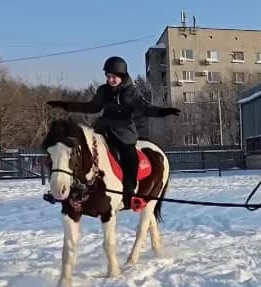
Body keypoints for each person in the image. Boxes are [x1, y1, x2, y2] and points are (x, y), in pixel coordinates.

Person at [46, 56, 180, 210]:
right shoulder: (103, 91)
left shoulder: (130, 92)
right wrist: (65, 105)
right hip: (103, 131)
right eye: (108, 76)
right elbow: (92, 107)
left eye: (114, 77)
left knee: (130, 159)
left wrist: (162, 112)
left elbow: (144, 109)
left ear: (122, 76)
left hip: (124, 135)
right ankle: (72, 190)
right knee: (82, 153)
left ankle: (130, 195)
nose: (110, 80)